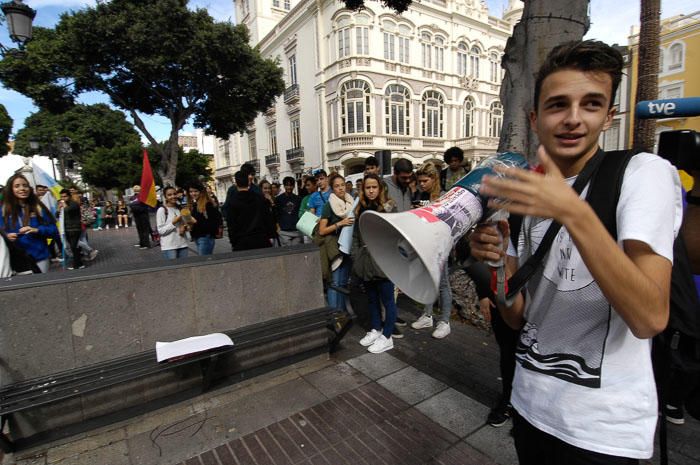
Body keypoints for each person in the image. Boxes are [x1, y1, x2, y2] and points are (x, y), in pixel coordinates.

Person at [469, 40, 682, 463]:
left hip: (601, 431)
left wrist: (572, 211)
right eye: (557, 105)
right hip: (530, 406)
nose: (572, 119)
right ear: (535, 118)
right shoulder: (527, 195)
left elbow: (649, 318)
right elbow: (516, 315)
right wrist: (497, 265)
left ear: (609, 116)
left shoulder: (643, 173)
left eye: (591, 104)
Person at [352, 173, 398, 354]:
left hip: (384, 259)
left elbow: (395, 235)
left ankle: (387, 336)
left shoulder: (389, 206)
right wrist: (356, 256)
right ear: (363, 189)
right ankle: (376, 329)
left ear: (380, 188)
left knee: (388, 299)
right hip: (365, 260)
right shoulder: (360, 208)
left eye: (374, 187)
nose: (371, 191)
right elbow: (355, 235)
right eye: (367, 187)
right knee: (371, 298)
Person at [410, 162, 453, 339]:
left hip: (441, 246)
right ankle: (427, 315)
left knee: (442, 283)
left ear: (434, 179)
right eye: (419, 181)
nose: (421, 184)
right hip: (424, 245)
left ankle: (445, 321)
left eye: (425, 181)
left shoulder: (444, 196)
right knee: (427, 280)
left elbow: (448, 222)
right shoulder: (420, 195)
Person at [0, 174, 58, 273]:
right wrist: (6, 236)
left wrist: (37, 230)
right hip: (16, 259)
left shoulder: (38, 207)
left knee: (41, 285)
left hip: (39, 256)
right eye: (17, 186)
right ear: (10, 189)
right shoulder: (3, 210)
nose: (22, 189)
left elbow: (54, 230)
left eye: (25, 185)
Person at [317, 173, 354, 310]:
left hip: (348, 247)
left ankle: (343, 314)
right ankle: (335, 316)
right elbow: (322, 230)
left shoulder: (351, 202)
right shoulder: (329, 205)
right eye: (337, 186)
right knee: (335, 283)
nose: (341, 188)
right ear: (332, 189)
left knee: (344, 283)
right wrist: (341, 223)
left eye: (343, 185)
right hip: (335, 249)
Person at [227, 170, 274, 251]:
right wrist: (270, 235)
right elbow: (267, 218)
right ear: (248, 182)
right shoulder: (259, 198)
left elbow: (231, 224)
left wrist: (233, 242)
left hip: (242, 241)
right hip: (261, 239)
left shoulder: (232, 201)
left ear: (236, 183)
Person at [188, 182, 223, 256]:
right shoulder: (195, 204)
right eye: (191, 191)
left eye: (195, 191)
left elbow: (215, 221)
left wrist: (195, 222)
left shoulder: (208, 204)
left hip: (205, 237)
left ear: (201, 192)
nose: (193, 194)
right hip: (197, 236)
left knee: (204, 261)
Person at [156, 186, 191, 259]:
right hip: (169, 247)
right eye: (169, 195)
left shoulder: (180, 208)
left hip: (183, 245)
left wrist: (185, 227)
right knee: (173, 270)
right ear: (165, 197)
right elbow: (161, 231)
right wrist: (173, 223)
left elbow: (188, 225)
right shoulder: (162, 210)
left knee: (185, 268)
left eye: (174, 194)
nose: (173, 196)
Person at [59, 189, 85, 270]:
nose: (63, 198)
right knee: (73, 247)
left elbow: (68, 210)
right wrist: (59, 208)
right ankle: (80, 263)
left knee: (74, 247)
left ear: (69, 196)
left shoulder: (74, 204)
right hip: (67, 229)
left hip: (75, 229)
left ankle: (76, 265)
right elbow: (57, 214)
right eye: (62, 197)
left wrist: (63, 205)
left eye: (65, 196)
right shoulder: (64, 204)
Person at [276, 176, 303, 247]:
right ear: (284, 186)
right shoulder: (278, 199)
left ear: (294, 186)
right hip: (283, 232)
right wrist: (278, 227)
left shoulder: (298, 199)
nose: (289, 187)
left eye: (291, 185)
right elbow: (276, 214)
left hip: (296, 231)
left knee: (297, 253)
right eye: (287, 185)